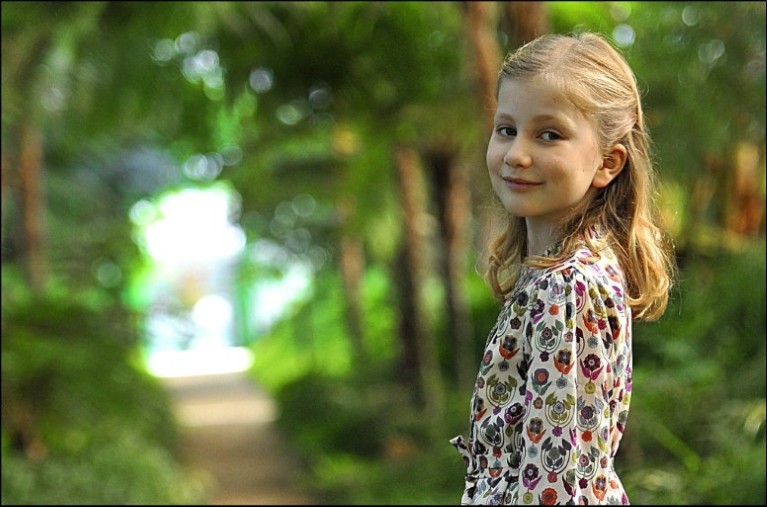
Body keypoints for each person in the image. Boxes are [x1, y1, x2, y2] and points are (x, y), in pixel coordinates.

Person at [450, 31, 676, 505]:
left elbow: (553, 480)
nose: (517, 154)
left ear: (608, 163)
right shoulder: (558, 272)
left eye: (549, 135)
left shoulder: (566, 286)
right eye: (506, 129)